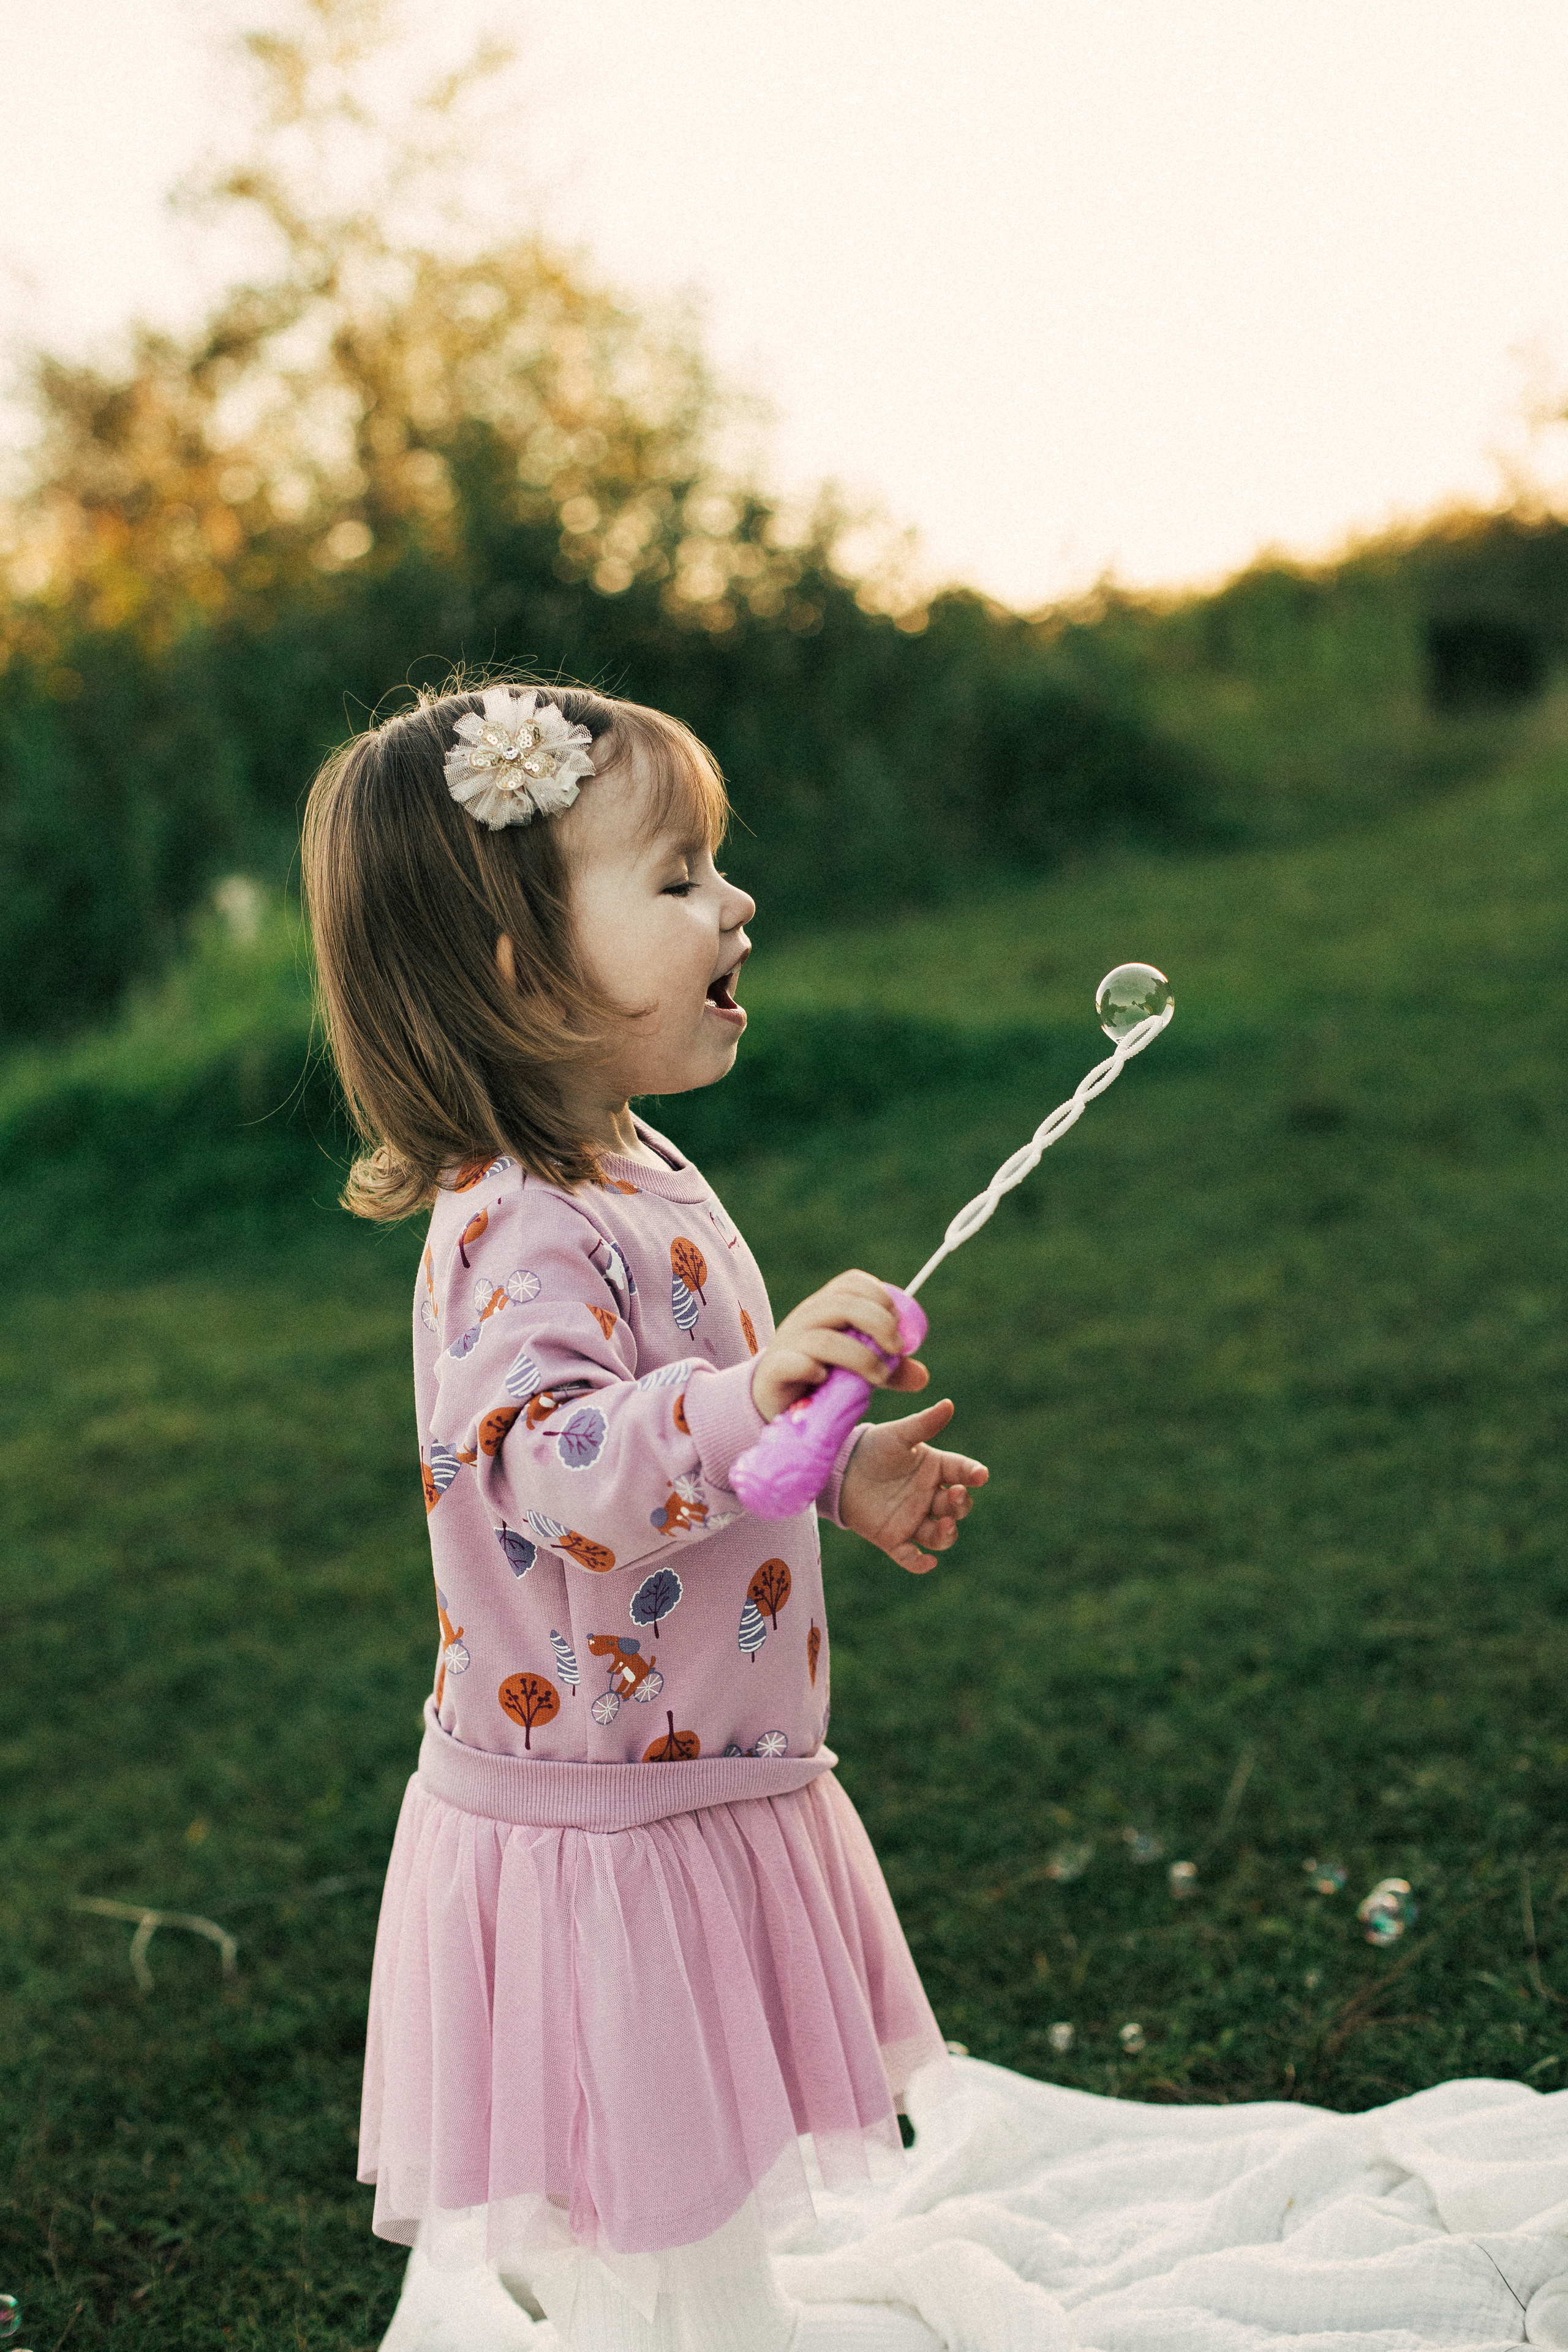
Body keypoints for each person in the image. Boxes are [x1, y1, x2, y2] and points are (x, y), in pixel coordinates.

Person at [302, 680, 989, 2350]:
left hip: (689, 1768)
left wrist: (831, 1465)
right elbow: (551, 1460)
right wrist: (757, 1400)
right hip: (598, 1811)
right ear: (522, 972)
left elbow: (690, 1419)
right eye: (678, 879)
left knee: (700, 2185)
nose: (734, 902)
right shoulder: (513, 1220)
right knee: (650, 2181)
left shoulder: (635, 1164)